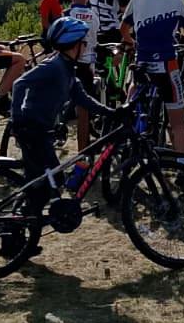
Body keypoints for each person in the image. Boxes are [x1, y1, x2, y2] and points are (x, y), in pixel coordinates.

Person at [10, 17, 120, 223]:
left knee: (53, 180)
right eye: (83, 43)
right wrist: (16, 121)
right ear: (73, 44)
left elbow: (84, 100)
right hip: (31, 129)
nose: (85, 46)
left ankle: (26, 222)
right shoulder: (54, 66)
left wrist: (112, 113)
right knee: (42, 185)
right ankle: (17, 229)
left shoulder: (69, 69)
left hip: (43, 131)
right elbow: (19, 84)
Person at [120, 0, 184, 163]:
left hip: (143, 62)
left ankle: (129, 128)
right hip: (167, 65)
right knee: (178, 122)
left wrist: (131, 41)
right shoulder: (175, 1)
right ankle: (182, 165)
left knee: (133, 93)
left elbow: (124, 28)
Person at [63, 0, 100, 158]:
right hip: (87, 66)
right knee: (83, 113)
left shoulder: (67, 14)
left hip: (67, 65)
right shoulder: (94, 15)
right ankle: (83, 152)